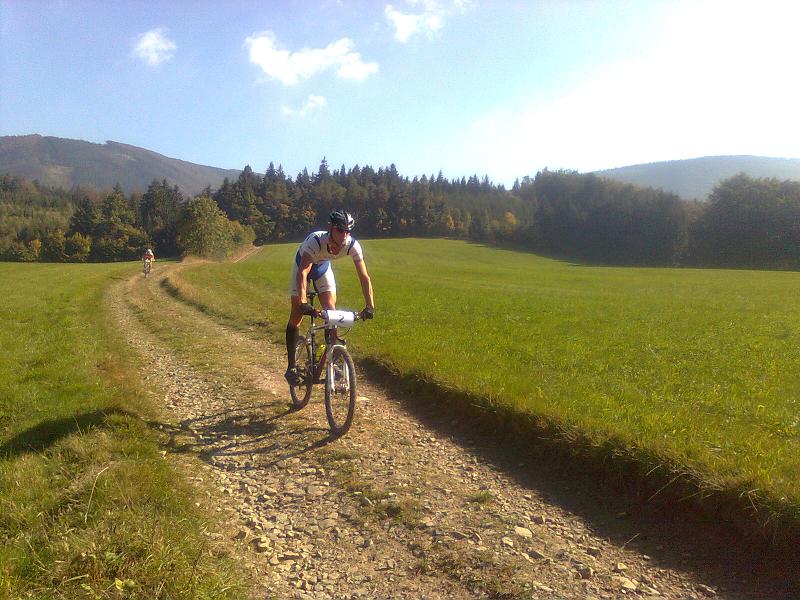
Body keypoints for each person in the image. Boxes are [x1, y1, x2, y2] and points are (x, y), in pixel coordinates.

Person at [285, 210, 374, 385]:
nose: (344, 236)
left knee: (331, 312)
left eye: (348, 231)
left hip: (322, 269)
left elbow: (364, 276)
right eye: (340, 231)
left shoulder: (352, 245)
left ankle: (330, 356)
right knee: (296, 314)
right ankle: (291, 366)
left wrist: (370, 305)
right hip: (302, 265)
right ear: (330, 228)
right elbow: (303, 272)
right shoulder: (316, 241)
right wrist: (303, 301)